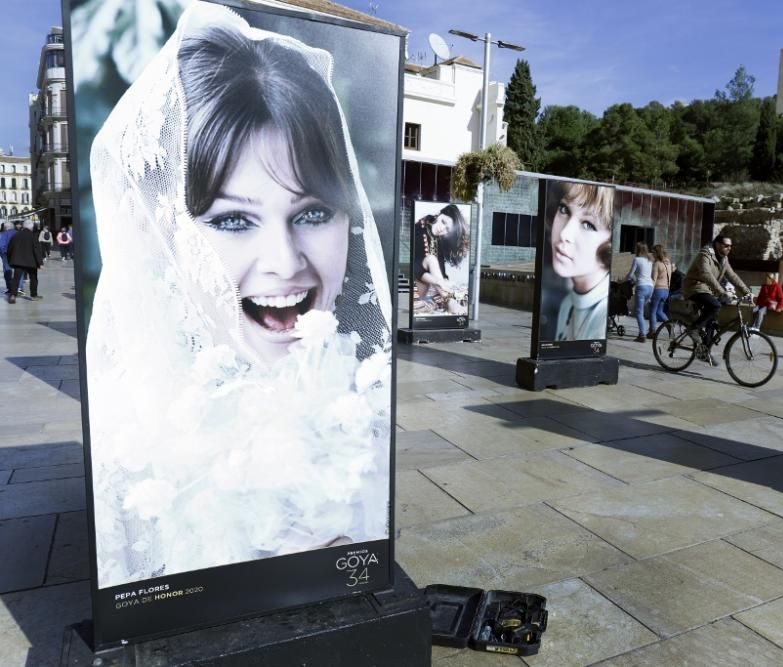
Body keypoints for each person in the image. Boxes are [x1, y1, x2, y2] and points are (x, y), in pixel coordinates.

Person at [86, 1, 392, 588]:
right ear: (160, 234)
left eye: (313, 212)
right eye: (232, 220)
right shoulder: (127, 445)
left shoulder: (367, 403)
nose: (284, 262)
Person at [546, 182, 614, 341]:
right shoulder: (567, 304)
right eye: (564, 209)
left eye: (588, 224)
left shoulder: (602, 314)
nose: (565, 234)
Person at [682, 234, 751, 363]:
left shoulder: (724, 259)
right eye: (726, 245)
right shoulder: (705, 254)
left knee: (712, 322)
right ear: (718, 244)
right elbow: (705, 273)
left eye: (730, 246)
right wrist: (722, 291)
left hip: (708, 290)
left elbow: (732, 276)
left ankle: (704, 352)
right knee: (715, 306)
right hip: (694, 287)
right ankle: (693, 328)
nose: (729, 248)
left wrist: (746, 291)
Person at [413, 204, 470, 316]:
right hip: (415, 284)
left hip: (426, 285)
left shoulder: (439, 242)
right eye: (443, 222)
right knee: (431, 260)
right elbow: (416, 269)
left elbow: (441, 273)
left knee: (450, 284)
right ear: (440, 214)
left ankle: (449, 302)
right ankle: (451, 303)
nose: (442, 229)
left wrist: (444, 283)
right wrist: (438, 282)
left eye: (447, 229)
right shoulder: (418, 229)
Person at [6, 220, 45, 303]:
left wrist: (10, 260)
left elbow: (9, 249)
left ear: (23, 226)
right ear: (31, 227)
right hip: (31, 262)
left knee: (16, 278)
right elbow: (37, 250)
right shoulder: (33, 236)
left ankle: (13, 295)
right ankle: (34, 295)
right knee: (33, 278)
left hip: (18, 261)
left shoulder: (16, 235)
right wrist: (40, 263)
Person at [625, 241, 654, 342]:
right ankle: (644, 332)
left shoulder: (637, 259)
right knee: (640, 312)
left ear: (637, 250)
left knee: (639, 313)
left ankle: (642, 335)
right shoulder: (650, 261)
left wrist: (623, 280)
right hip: (650, 287)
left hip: (641, 287)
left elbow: (630, 274)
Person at [650, 244, 673, 337]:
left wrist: (650, 292)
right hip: (666, 290)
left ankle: (652, 332)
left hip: (658, 290)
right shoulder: (668, 263)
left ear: (657, 253)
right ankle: (669, 325)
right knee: (660, 311)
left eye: (653, 252)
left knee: (653, 311)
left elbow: (653, 280)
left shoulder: (657, 264)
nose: (652, 254)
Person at [0, 222, 16, 295]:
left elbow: (1, 245)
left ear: (6, 227)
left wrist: (2, 253)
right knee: (18, 269)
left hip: (6, 254)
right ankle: (19, 287)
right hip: (17, 253)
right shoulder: (17, 233)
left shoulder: (3, 234)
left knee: (7, 270)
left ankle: (9, 287)